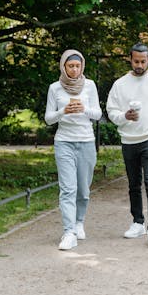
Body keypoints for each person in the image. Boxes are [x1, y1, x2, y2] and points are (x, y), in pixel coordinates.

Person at [106, 43, 148, 248]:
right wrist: (124, 116)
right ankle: (137, 222)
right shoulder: (120, 84)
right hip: (128, 141)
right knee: (133, 185)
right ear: (130, 59)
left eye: (143, 61)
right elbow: (111, 111)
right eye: (136, 61)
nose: (139, 65)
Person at [45, 50, 102, 251]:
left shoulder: (90, 85)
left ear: (82, 67)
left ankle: (79, 222)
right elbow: (48, 118)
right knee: (68, 189)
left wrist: (83, 109)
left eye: (77, 66)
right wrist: (63, 111)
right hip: (64, 142)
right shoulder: (55, 88)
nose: (74, 69)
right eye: (71, 66)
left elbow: (98, 114)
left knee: (83, 190)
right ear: (63, 67)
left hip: (86, 141)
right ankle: (68, 232)